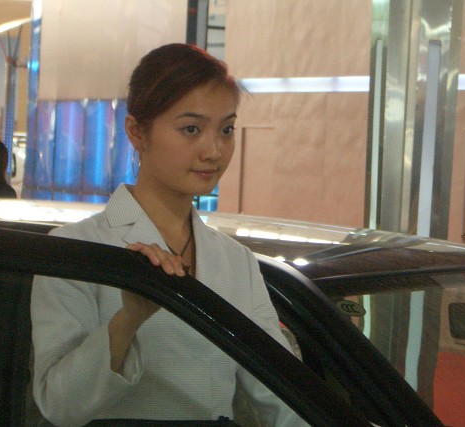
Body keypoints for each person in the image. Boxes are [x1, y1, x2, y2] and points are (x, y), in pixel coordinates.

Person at [31, 43, 306, 426]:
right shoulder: (74, 249)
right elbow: (59, 405)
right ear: (136, 132)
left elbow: (283, 396)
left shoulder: (235, 261)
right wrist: (129, 319)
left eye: (226, 130)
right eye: (191, 129)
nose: (214, 151)